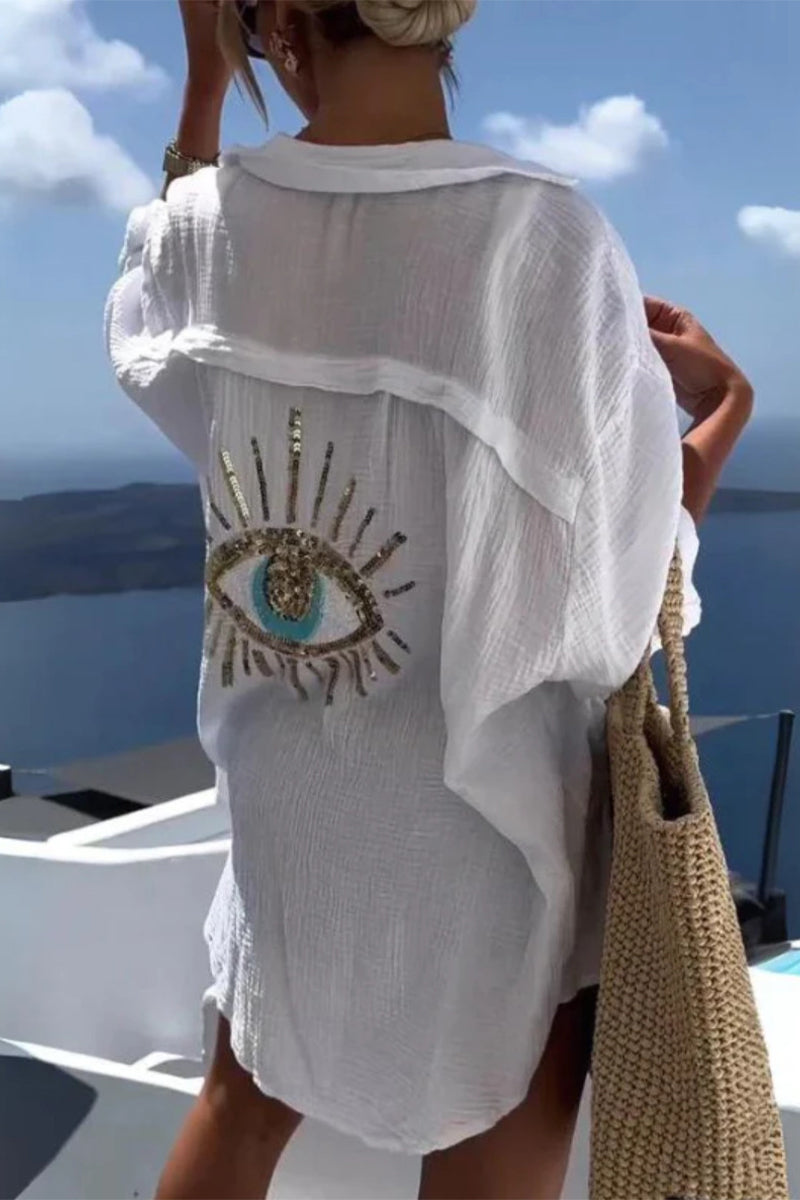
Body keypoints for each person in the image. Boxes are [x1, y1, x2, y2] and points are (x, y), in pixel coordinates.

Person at [105, 1, 754, 1196]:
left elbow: (155, 317)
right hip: (490, 826)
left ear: (274, 22)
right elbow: (620, 599)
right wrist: (720, 415)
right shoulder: (537, 241)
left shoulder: (208, 227)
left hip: (291, 802)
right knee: (490, 1133)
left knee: (239, 1105)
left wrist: (203, 88)